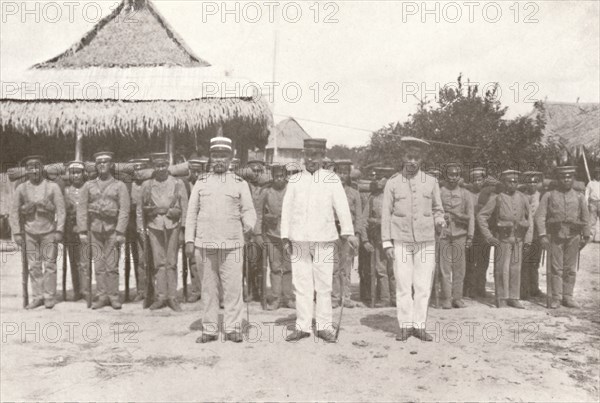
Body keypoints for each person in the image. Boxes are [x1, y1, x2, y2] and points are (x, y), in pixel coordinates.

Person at [281, 138, 356, 343]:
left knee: (324, 284)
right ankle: (303, 326)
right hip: (299, 240)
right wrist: (285, 236)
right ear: (303, 155)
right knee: (301, 284)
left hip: (324, 239)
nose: (311, 159)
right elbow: (286, 210)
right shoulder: (295, 180)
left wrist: (348, 233)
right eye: (308, 155)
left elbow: (342, 208)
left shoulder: (332, 179)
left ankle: (324, 326)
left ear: (323, 157)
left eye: (316, 155)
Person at [185, 137, 256, 343]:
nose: (218, 160)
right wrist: (190, 240)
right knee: (208, 289)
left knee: (233, 289)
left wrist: (248, 226)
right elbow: (191, 214)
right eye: (215, 156)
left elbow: (249, 211)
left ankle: (233, 328)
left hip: (232, 244)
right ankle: (209, 329)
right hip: (204, 245)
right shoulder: (201, 183)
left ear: (230, 158)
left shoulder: (240, 183)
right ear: (210, 157)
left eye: (222, 156)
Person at [381, 138, 445, 341]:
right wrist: (387, 242)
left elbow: (438, 209)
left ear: (421, 159)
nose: (412, 161)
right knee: (402, 284)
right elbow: (386, 214)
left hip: (426, 241)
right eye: (409, 157)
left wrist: (440, 220)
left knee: (423, 286)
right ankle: (405, 326)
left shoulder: (431, 182)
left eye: (416, 158)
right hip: (401, 240)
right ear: (403, 157)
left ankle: (419, 325)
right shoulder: (392, 183)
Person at [10, 155, 66, 309]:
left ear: (42, 169)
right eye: (30, 168)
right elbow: (14, 212)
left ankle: (49, 296)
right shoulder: (21, 188)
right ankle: (37, 296)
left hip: (48, 231)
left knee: (50, 264)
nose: (34, 171)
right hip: (29, 233)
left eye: (37, 167)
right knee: (34, 266)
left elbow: (61, 211)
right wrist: (16, 233)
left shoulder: (52, 187)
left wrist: (59, 230)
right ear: (26, 171)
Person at [77, 151, 130, 310]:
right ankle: (101, 296)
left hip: (112, 230)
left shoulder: (119, 186)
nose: (102, 165)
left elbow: (124, 210)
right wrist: (82, 231)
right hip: (95, 230)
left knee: (112, 266)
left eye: (105, 162)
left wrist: (120, 231)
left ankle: (113, 296)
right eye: (99, 162)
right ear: (96, 165)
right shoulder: (88, 185)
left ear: (111, 165)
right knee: (99, 265)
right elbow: (82, 209)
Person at [137, 153, 188, 311]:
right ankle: (161, 296)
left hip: (173, 224)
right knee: (158, 263)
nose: (161, 169)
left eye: (163, 165)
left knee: (171, 263)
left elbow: (185, 208)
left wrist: (183, 229)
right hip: (154, 225)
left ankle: (172, 297)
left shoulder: (178, 183)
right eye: (157, 166)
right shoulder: (147, 184)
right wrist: (140, 227)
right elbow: (140, 209)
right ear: (154, 167)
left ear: (168, 166)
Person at [535, 166, 591, 309]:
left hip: (574, 236)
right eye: (563, 177)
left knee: (570, 269)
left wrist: (586, 235)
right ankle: (556, 297)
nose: (566, 179)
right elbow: (540, 216)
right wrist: (542, 235)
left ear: (573, 178)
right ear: (558, 179)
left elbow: (585, 217)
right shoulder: (549, 195)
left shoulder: (579, 196)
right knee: (556, 268)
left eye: (569, 177)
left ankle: (568, 297)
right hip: (555, 235)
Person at [477, 170, 531, 309]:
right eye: (509, 181)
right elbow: (481, 216)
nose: (512, 184)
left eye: (515, 181)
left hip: (518, 238)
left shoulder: (523, 197)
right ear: (504, 183)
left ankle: (514, 297)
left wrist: (528, 239)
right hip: (503, 239)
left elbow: (529, 218)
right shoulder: (497, 198)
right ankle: (501, 297)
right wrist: (489, 236)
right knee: (501, 269)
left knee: (515, 268)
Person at [255, 164, 295, 310]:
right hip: (271, 235)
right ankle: (276, 298)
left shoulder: (292, 190)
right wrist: (258, 233)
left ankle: (289, 298)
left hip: (289, 236)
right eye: (276, 176)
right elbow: (258, 213)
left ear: (285, 176)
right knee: (275, 267)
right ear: (273, 176)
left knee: (289, 267)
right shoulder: (266, 191)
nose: (279, 179)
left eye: (281, 176)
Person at [438, 163, 475, 309]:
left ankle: (457, 298)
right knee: (445, 268)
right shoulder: (439, 192)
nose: (453, 178)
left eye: (456, 175)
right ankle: (446, 298)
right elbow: (433, 210)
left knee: (459, 268)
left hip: (460, 234)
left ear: (460, 177)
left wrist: (470, 236)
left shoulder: (466, 194)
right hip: (444, 234)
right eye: (450, 175)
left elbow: (471, 215)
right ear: (446, 176)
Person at [361, 166, 396, 307]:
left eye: (384, 178)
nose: (380, 182)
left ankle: (396, 298)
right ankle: (385, 297)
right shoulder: (372, 198)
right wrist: (364, 240)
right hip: (377, 239)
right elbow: (364, 220)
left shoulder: (396, 197)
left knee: (395, 270)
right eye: (379, 178)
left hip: (394, 239)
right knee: (381, 270)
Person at [332, 159, 362, 309]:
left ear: (349, 174)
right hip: (332, 232)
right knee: (333, 266)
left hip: (348, 234)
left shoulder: (354, 193)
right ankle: (334, 296)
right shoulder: (329, 191)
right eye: (339, 172)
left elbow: (359, 216)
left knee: (347, 266)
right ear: (335, 173)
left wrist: (356, 234)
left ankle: (346, 297)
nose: (342, 176)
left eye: (345, 173)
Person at [184, 156, 209, 303]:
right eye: (193, 171)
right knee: (192, 260)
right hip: (191, 225)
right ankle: (196, 289)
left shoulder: (207, 185)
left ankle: (209, 290)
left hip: (205, 226)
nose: (196, 175)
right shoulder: (185, 185)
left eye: (199, 171)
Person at [464, 167, 490, 298]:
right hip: (470, 231)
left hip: (484, 231)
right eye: (474, 180)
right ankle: (469, 288)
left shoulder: (488, 193)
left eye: (480, 179)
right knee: (470, 261)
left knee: (483, 261)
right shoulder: (466, 193)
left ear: (484, 180)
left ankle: (481, 287)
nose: (477, 182)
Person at [63, 161, 87, 301]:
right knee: (74, 261)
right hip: (70, 230)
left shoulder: (88, 188)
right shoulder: (65, 191)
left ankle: (85, 290)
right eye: (73, 173)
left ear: (83, 174)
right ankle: (77, 290)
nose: (76, 175)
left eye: (78, 172)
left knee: (85, 261)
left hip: (85, 229)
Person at [128, 158, 150, 302]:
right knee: (139, 260)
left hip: (151, 225)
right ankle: (141, 289)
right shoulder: (129, 186)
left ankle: (154, 290)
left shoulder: (149, 184)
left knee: (152, 259)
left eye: (141, 168)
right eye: (135, 169)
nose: (138, 172)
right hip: (134, 227)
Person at [245, 159, 267, 302]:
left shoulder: (267, 188)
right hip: (247, 229)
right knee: (247, 262)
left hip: (262, 230)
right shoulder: (244, 185)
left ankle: (260, 290)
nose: (256, 174)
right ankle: (250, 290)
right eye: (253, 170)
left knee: (260, 262)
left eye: (259, 171)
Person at [520, 171, 544, 300]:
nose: (532, 184)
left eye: (535, 182)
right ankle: (524, 290)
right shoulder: (521, 196)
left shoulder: (541, 196)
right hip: (524, 234)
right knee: (524, 262)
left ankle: (534, 288)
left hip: (537, 234)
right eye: (530, 182)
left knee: (535, 262)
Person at [585, 166, 600, 242]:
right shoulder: (591, 183)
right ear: (595, 174)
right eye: (597, 173)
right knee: (592, 221)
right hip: (593, 203)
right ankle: (590, 237)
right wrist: (587, 203)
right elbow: (586, 194)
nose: (598, 175)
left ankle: (598, 238)